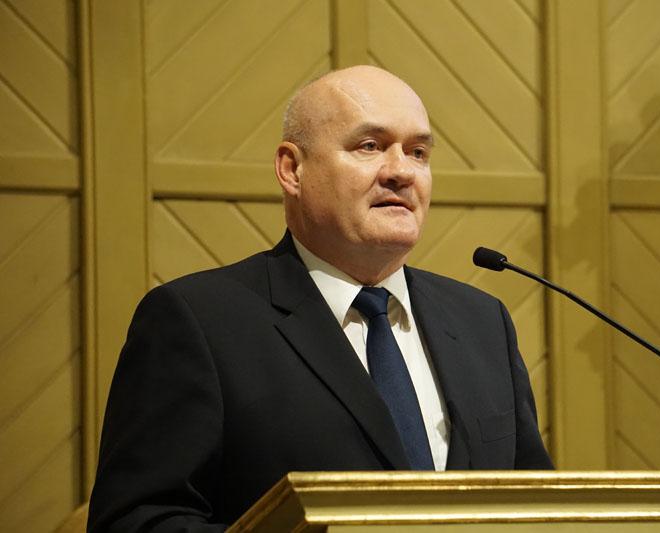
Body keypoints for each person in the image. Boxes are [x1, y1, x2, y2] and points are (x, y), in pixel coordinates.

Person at [88, 65, 552, 532]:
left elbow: (538, 509)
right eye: (369, 146)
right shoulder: (198, 321)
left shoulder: (482, 322)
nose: (401, 172)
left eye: (418, 152)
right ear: (292, 169)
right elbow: (135, 522)